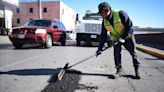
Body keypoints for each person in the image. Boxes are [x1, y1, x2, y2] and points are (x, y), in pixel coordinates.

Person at [96, 2, 140, 79]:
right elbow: (103, 36)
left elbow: (130, 27)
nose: (100, 15)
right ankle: (119, 71)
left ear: (107, 10)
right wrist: (99, 48)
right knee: (116, 54)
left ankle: (137, 70)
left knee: (133, 53)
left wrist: (123, 38)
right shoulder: (104, 21)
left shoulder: (121, 14)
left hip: (127, 36)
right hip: (116, 38)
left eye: (101, 13)